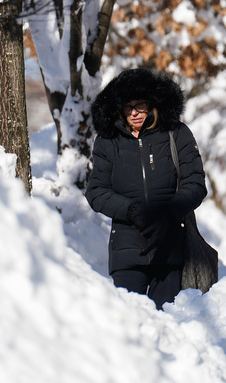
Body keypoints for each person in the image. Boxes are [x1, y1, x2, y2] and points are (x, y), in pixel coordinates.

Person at [86, 67, 208, 308]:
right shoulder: (108, 141)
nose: (134, 113)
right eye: (128, 107)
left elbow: (195, 183)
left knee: (167, 324)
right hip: (127, 252)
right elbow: (96, 191)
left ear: (153, 103)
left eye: (140, 105)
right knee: (129, 325)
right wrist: (132, 210)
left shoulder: (177, 134)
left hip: (171, 248)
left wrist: (167, 213)